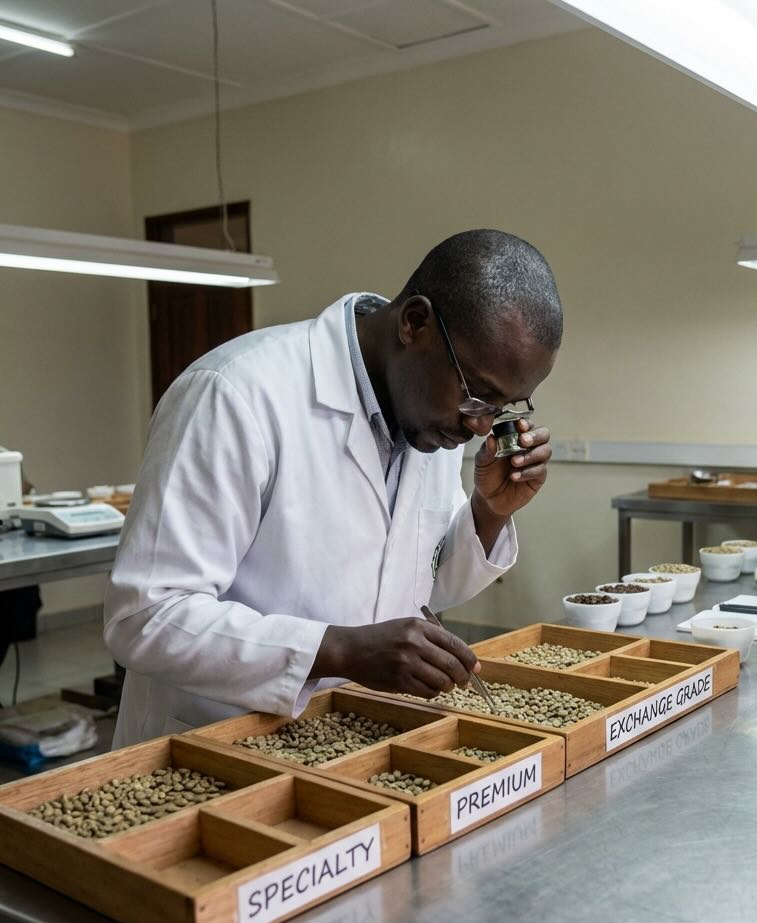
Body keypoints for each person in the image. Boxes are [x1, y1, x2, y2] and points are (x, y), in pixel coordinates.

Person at [104, 229, 561, 747]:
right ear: (415, 324)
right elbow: (144, 617)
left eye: (502, 407)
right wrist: (339, 651)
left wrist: (489, 512)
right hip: (212, 740)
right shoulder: (234, 394)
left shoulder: (432, 418)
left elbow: (420, 587)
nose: (482, 425)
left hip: (349, 742)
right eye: (478, 393)